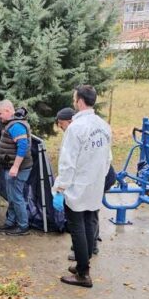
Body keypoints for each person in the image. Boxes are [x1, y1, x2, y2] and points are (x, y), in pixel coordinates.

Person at [52, 85, 112, 288]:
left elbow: (67, 163)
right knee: (88, 224)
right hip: (94, 185)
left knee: (77, 228)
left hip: (77, 188)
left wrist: (60, 188)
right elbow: (107, 159)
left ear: (79, 101)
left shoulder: (76, 128)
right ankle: (81, 265)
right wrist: (99, 180)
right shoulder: (104, 126)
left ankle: (83, 274)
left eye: (74, 97)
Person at [55, 107, 116, 259]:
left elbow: (70, 164)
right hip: (95, 176)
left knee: (88, 215)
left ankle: (89, 247)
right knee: (88, 213)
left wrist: (61, 187)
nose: (62, 129)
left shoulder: (78, 129)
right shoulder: (92, 128)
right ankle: (85, 247)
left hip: (100, 176)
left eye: (62, 125)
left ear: (70, 121)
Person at [0, 100, 32, 235]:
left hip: (18, 168)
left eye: (0, 113)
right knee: (12, 195)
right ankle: (11, 222)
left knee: (16, 197)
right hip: (9, 166)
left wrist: (15, 166)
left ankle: (23, 226)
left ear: (8, 111)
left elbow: (23, 146)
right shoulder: (11, 124)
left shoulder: (16, 125)